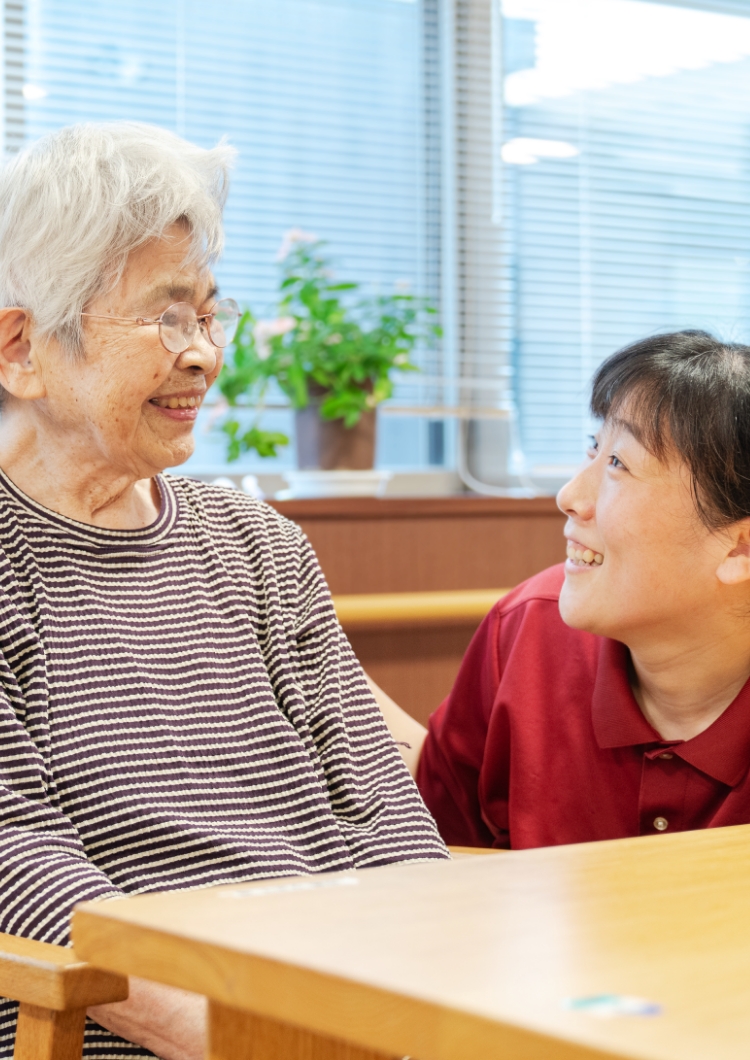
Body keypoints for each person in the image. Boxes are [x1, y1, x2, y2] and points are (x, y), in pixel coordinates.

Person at [0, 122, 447, 1060]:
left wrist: (441, 1006)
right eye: (166, 317)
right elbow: (25, 873)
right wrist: (265, 1042)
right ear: (22, 349)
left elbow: (380, 805)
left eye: (209, 313)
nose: (204, 354)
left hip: (351, 1013)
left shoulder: (257, 544)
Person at [379, 330, 750, 849]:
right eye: (594, 449)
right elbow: (441, 839)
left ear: (739, 549)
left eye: (620, 464)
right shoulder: (529, 626)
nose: (570, 495)